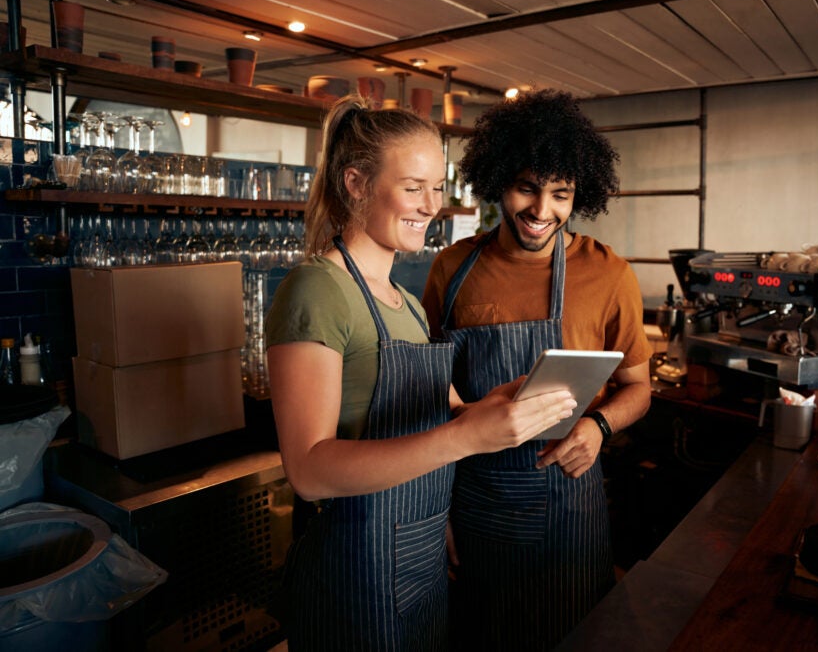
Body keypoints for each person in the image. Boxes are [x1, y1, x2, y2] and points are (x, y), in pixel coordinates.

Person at [266, 96, 578, 652]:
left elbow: (449, 414)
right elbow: (309, 470)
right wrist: (464, 436)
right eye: (414, 188)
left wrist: (500, 404)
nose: (431, 205)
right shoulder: (316, 290)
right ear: (357, 182)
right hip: (353, 567)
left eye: (438, 187)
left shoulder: (405, 302)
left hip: (422, 556)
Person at [421, 89, 653, 650]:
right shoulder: (452, 270)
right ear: (499, 178)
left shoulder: (609, 274)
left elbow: (638, 387)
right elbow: (429, 396)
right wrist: (437, 516)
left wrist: (598, 428)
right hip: (473, 504)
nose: (541, 210)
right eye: (527, 187)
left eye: (561, 194)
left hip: (568, 510)